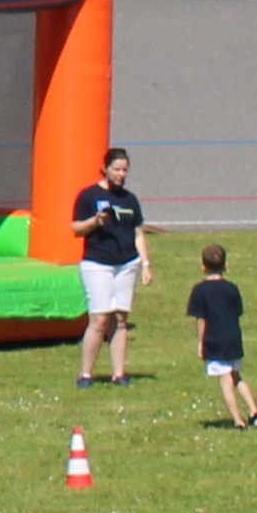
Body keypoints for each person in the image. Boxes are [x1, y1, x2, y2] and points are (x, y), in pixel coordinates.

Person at [70, 148, 148, 384]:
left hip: (126, 263)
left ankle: (119, 374)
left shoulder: (130, 199)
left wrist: (145, 263)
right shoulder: (88, 196)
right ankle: (86, 373)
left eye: (125, 170)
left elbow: (138, 232)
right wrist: (96, 220)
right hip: (98, 263)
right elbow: (76, 229)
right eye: (117, 169)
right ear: (105, 169)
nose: (121, 175)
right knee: (99, 319)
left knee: (120, 320)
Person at [187, 242, 257, 430]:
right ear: (225, 266)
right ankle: (255, 412)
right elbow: (237, 312)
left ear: (203, 266)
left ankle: (238, 420)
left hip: (215, 339)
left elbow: (201, 320)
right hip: (233, 337)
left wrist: (201, 342)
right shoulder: (232, 288)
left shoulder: (200, 290)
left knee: (225, 379)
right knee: (236, 376)